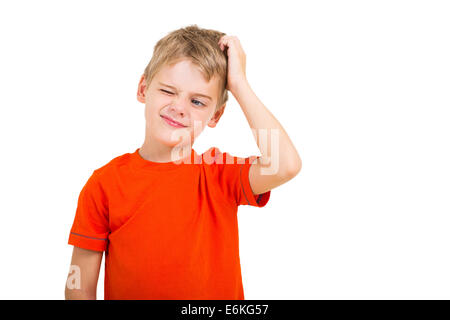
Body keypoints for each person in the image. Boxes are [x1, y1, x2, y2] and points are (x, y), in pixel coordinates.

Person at [65, 24, 302, 300]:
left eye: (198, 102)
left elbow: (285, 164)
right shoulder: (103, 184)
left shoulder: (218, 173)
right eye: (168, 91)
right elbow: (77, 285)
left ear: (216, 116)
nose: (179, 107)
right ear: (143, 89)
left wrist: (239, 85)